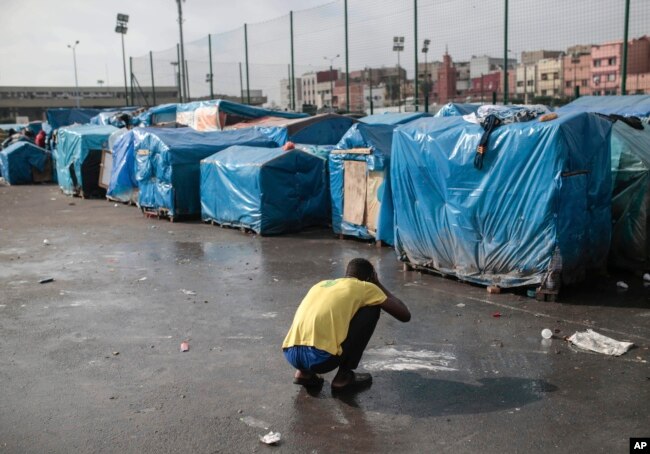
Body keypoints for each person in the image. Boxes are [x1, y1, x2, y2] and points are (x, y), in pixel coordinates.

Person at [282, 258, 410, 392]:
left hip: (291, 354)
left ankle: (303, 373)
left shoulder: (321, 284)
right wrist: (377, 284)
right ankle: (343, 377)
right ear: (370, 277)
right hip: (321, 359)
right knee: (372, 309)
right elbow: (404, 315)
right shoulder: (366, 287)